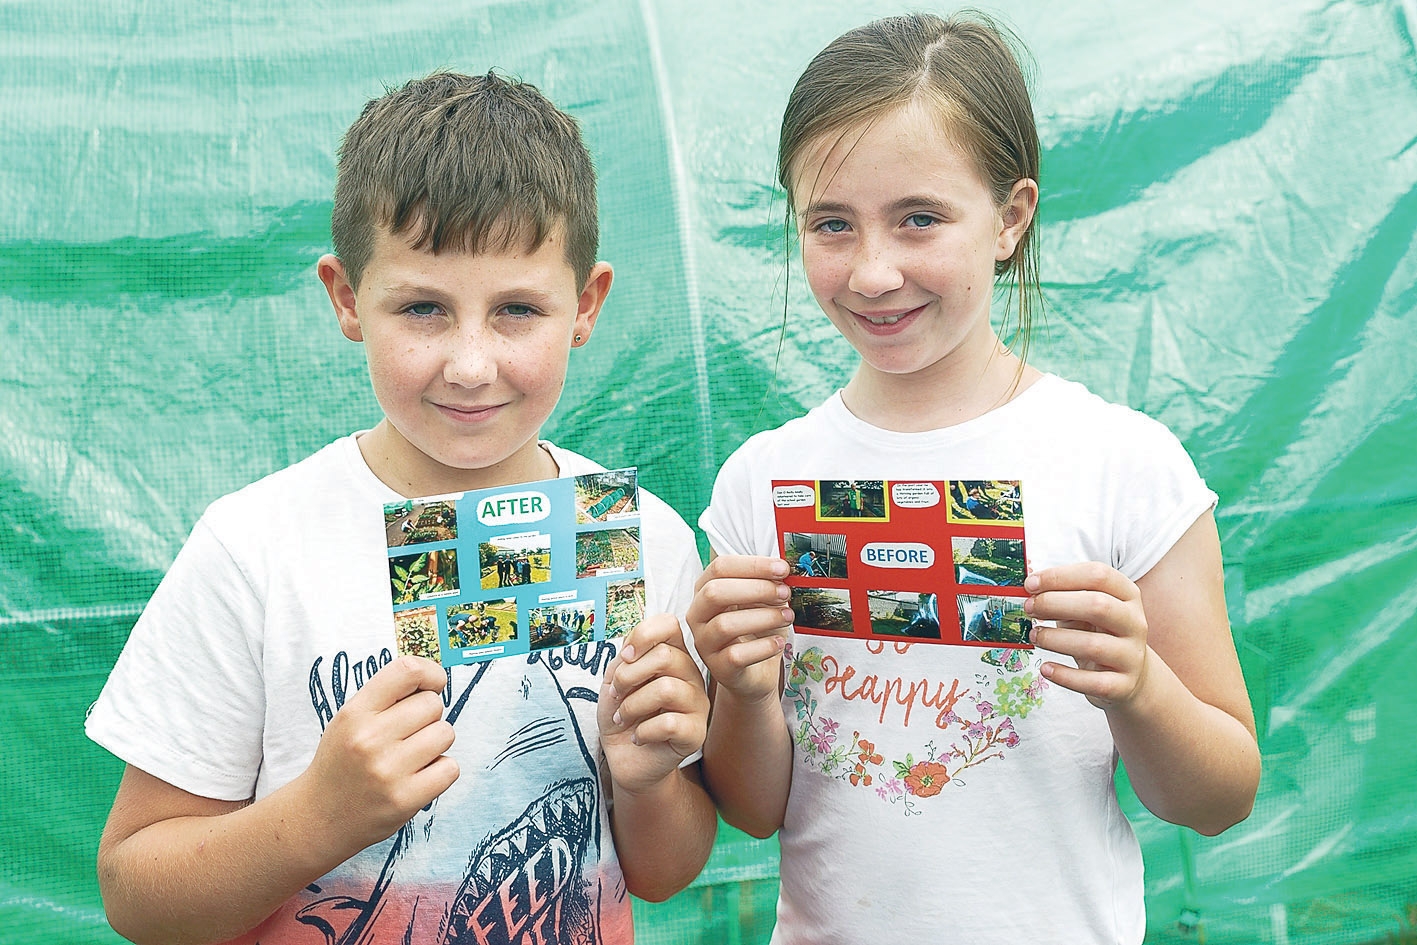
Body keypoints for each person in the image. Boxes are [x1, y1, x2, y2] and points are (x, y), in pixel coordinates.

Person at [86, 71, 715, 945]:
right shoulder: (254, 547)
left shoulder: (644, 539)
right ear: (346, 298)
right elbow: (134, 893)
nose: (468, 363)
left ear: (586, 305)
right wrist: (317, 816)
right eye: (422, 307)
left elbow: (664, 868)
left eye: (516, 311)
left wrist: (646, 781)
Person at [688, 13, 1259, 944]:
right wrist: (744, 688)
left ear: (1010, 216)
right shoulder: (764, 482)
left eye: (919, 218)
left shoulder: (1121, 463)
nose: (873, 271)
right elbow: (755, 812)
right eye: (832, 224)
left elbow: (1221, 796)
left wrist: (1139, 688)